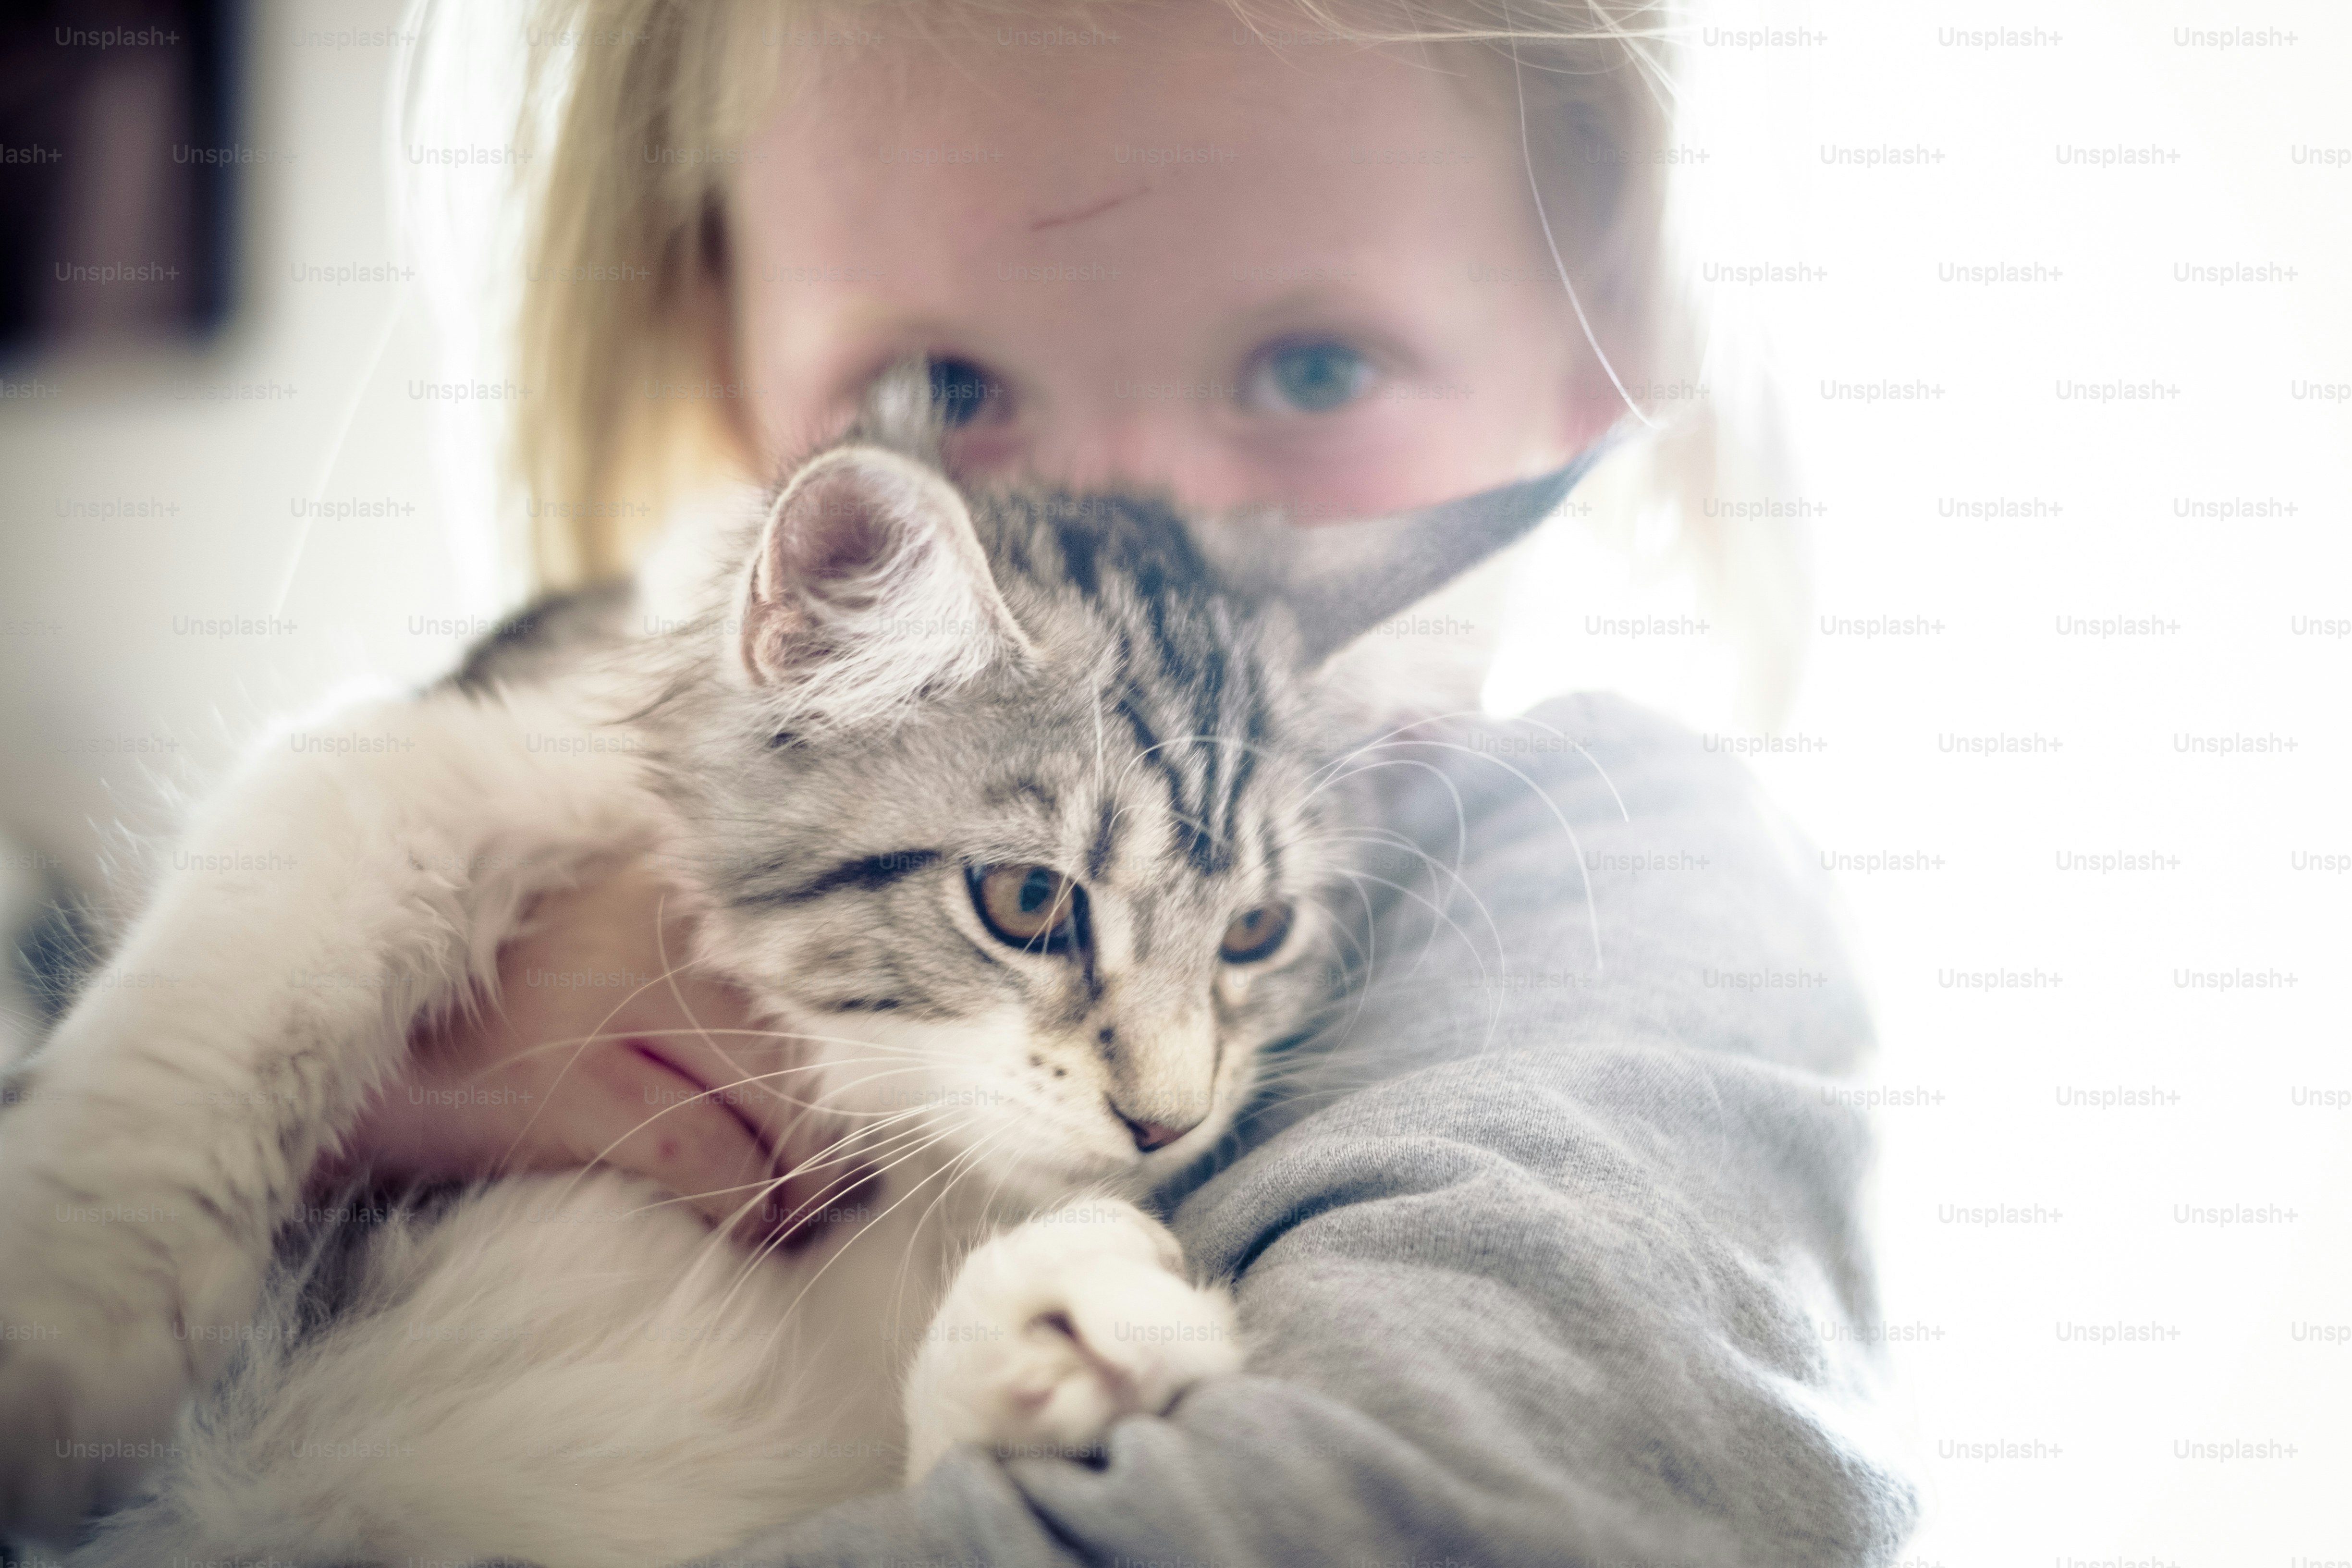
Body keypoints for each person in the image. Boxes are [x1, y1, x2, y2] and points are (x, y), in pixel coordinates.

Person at [349, 1, 1920, 1560]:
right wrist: (358, 1087)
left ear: (1598, 347)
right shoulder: (568, 814)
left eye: (1314, 368)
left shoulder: (1622, 866)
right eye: (951, 391)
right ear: (718, 370)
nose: (1135, 524)